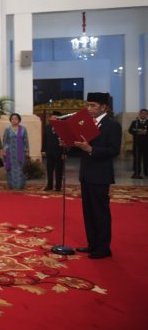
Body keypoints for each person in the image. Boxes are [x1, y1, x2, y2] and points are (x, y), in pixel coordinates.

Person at [72, 92, 121, 259]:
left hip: (100, 175)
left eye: (93, 105)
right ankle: (92, 244)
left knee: (100, 213)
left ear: (103, 107)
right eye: (88, 105)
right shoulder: (87, 124)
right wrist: (68, 143)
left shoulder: (112, 125)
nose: (89, 108)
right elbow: (79, 146)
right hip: (86, 174)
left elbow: (114, 150)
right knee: (89, 212)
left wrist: (91, 149)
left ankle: (103, 248)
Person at [2, 113, 29, 190]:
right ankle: (12, 185)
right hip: (10, 153)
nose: (14, 120)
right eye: (12, 119)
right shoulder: (8, 129)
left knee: (20, 169)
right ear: (10, 120)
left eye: (16, 118)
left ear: (19, 120)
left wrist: (26, 150)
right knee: (10, 169)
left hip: (20, 154)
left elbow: (25, 141)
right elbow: (5, 141)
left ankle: (20, 185)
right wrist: (4, 150)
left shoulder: (23, 129)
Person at [42, 111, 64, 191]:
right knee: (49, 170)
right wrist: (43, 150)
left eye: (56, 117)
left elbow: (66, 141)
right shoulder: (47, 127)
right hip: (49, 151)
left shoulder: (63, 127)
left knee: (59, 170)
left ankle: (58, 187)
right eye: (53, 117)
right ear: (50, 118)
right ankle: (49, 185)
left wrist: (65, 153)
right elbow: (44, 139)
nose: (54, 119)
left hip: (59, 152)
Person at [129, 108, 148, 178]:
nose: (143, 115)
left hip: (146, 144)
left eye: (145, 114)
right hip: (137, 144)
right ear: (139, 114)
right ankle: (137, 172)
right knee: (137, 158)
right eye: (142, 113)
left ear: (147, 115)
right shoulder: (135, 122)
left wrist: (145, 132)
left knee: (146, 158)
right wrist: (137, 131)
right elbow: (130, 130)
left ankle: (146, 172)